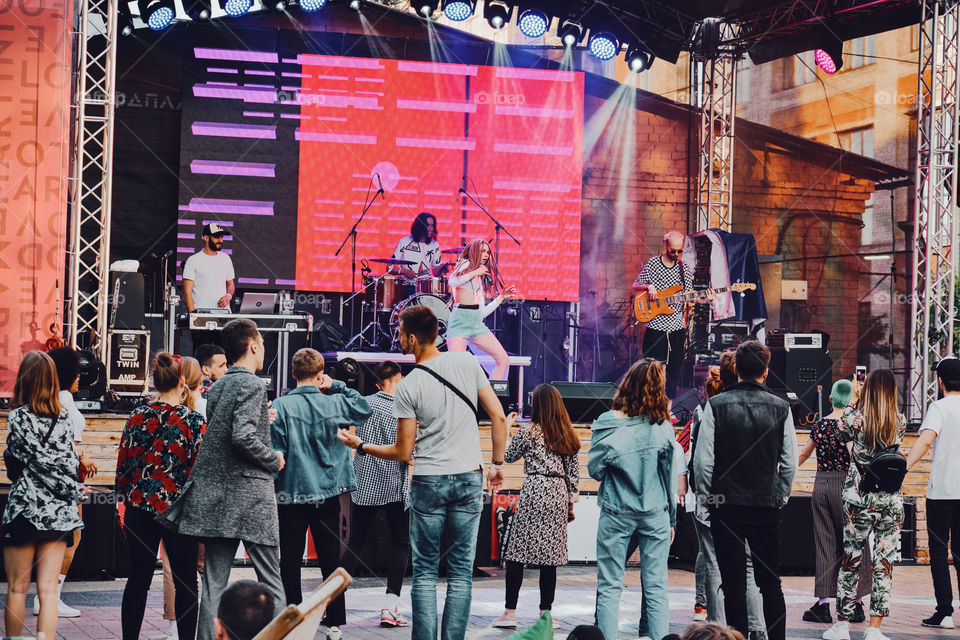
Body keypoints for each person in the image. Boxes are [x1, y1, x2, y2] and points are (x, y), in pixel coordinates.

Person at [337, 304, 509, 640]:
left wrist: (361, 446)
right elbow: (499, 418)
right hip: (468, 477)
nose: (397, 337)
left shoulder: (408, 386)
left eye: (400, 332)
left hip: (429, 480)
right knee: (460, 574)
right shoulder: (466, 362)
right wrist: (498, 466)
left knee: (426, 573)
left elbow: (403, 451)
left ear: (413, 339)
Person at [161, 319, 286, 640]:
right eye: (262, 344)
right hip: (252, 498)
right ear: (254, 345)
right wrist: (274, 459)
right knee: (272, 580)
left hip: (216, 498)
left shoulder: (218, 387)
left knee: (214, 583)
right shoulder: (255, 385)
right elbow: (242, 437)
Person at [693, 340, 797, 640]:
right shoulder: (781, 407)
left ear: (735, 368)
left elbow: (704, 462)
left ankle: (735, 638)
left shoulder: (715, 406)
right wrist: (781, 494)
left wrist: (707, 497)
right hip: (765, 503)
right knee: (770, 582)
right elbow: (789, 462)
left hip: (726, 505)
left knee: (734, 583)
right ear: (766, 371)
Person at [270, 348, 372, 639]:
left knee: (289, 558)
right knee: (330, 558)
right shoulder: (336, 402)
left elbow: (278, 451)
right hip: (328, 491)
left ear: (293, 373)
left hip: (291, 492)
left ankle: (292, 617)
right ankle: (335, 623)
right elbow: (365, 408)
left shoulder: (280, 405)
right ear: (319, 375)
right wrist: (337, 384)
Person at [116, 352, 205, 640]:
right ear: (183, 382)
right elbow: (199, 469)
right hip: (178, 511)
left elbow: (123, 464)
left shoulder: (137, 416)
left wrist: (126, 494)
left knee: (138, 579)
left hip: (139, 507)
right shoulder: (193, 421)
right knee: (185, 581)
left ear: (154, 381)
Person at [588, 358, 677, 640]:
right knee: (656, 586)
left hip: (616, 510)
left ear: (627, 383)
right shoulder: (662, 425)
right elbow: (669, 476)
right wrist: (672, 519)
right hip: (655, 512)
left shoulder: (607, 423)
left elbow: (595, 470)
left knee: (610, 585)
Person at [2, 351, 85, 640]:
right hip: (60, 512)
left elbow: (15, 465)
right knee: (48, 591)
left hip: (25, 508)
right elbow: (69, 463)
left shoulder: (17, 418)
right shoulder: (65, 419)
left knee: (17, 588)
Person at [821, 369, 904, 640]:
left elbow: (849, 450)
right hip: (891, 500)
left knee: (851, 559)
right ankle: (875, 629)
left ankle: (842, 625)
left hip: (859, 498)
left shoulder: (853, 418)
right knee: (884, 564)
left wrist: (856, 396)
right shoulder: (899, 420)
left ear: (866, 389)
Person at [491, 384, 580, 629]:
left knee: (517, 553)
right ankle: (545, 614)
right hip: (558, 492)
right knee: (549, 558)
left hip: (533, 488)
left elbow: (507, 456)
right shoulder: (567, 432)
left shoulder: (529, 431)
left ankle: (510, 613)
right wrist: (570, 504)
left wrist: (507, 429)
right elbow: (573, 473)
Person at [688, 361, 766, 640]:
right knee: (748, 567)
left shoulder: (708, 409)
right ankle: (756, 628)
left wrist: (704, 494)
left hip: (716, 497)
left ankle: (719, 631)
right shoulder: (763, 407)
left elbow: (701, 459)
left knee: (713, 564)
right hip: (750, 498)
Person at [338, 361, 412, 628]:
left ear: (378, 384)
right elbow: (409, 450)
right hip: (395, 483)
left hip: (365, 483)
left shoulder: (364, 403)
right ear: (400, 378)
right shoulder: (406, 407)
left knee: (354, 543)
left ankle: (332, 606)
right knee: (400, 544)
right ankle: (390, 608)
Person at [26, 347, 97, 619]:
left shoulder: (44, 399)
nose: (81, 376)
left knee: (54, 539)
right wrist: (81, 457)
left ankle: (45, 597)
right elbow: (64, 445)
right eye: (77, 371)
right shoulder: (65, 402)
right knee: (70, 539)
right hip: (65, 481)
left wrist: (80, 454)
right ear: (67, 373)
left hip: (46, 481)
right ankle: (49, 598)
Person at [797, 379, 871, 625]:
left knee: (825, 543)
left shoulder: (819, 426)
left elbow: (804, 454)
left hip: (822, 485)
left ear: (830, 399)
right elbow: (857, 456)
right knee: (854, 542)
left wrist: (782, 472)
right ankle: (857, 604)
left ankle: (822, 605)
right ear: (853, 400)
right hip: (847, 485)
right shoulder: (853, 424)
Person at [906, 357, 960, 629]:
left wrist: (903, 467)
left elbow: (925, 441)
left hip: (942, 492)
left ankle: (945, 612)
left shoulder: (938, 407)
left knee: (939, 552)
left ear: (940, 381)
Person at [160, 356, 207, 640]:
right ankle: (196, 629)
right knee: (195, 570)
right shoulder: (197, 413)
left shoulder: (143, 413)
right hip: (191, 501)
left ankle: (173, 628)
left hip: (157, 503)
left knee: (171, 569)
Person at [632, 231, 694, 401]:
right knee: (652, 368)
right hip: (656, 325)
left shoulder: (683, 268)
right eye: (673, 250)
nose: (676, 254)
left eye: (679, 251)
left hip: (676, 327)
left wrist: (704, 297)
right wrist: (649, 286)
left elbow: (688, 294)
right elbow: (635, 285)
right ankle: (650, 404)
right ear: (665, 245)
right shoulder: (653, 264)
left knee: (675, 368)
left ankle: (668, 408)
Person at [446, 239, 519, 380]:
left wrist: (502, 297)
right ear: (474, 252)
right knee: (456, 368)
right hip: (460, 323)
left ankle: (493, 397)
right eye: (483, 251)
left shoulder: (479, 279)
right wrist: (475, 272)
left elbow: (482, 312)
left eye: (487, 252)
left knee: (503, 360)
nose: (486, 255)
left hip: (476, 324)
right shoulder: (466, 264)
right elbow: (452, 281)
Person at [184, 222, 235, 349]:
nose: (220, 241)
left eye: (222, 237)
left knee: (224, 355)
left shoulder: (226, 258)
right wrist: (193, 318)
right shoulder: (193, 260)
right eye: (217, 237)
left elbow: (231, 284)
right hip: (202, 316)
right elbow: (187, 291)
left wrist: (228, 296)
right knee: (202, 355)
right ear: (206, 238)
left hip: (222, 316)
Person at [393, 212, 442, 279]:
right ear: (419, 226)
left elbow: (436, 273)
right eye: (428, 225)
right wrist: (404, 271)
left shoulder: (434, 244)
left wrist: (442, 269)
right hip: (407, 285)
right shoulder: (404, 242)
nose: (431, 228)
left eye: (432, 225)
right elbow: (389, 268)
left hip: (426, 286)